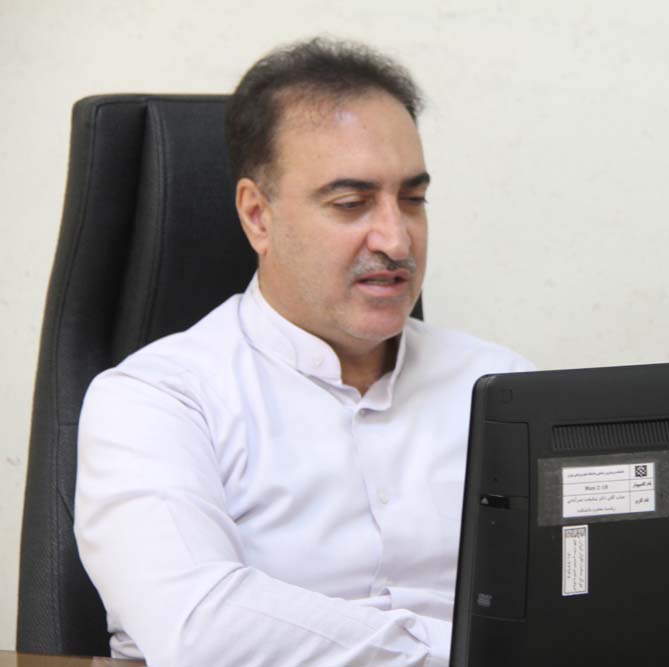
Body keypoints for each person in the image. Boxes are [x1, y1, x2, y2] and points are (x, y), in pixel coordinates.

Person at [74, 37, 532, 667]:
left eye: (413, 199)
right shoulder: (157, 401)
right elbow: (203, 629)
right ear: (257, 216)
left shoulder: (504, 387)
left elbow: (591, 596)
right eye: (351, 203)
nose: (397, 240)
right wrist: (472, 651)